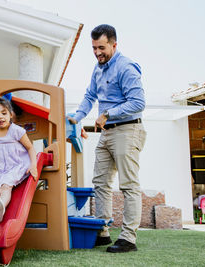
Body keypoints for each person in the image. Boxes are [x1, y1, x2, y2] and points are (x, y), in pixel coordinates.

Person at [68, 24, 146, 253]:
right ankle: (102, 231)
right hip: (107, 133)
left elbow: (138, 102)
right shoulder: (98, 68)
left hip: (128, 130)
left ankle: (128, 238)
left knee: (129, 185)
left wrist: (108, 113)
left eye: (101, 47)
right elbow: (90, 95)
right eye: (93, 48)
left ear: (114, 44)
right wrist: (77, 117)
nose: (97, 52)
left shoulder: (126, 67)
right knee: (100, 183)